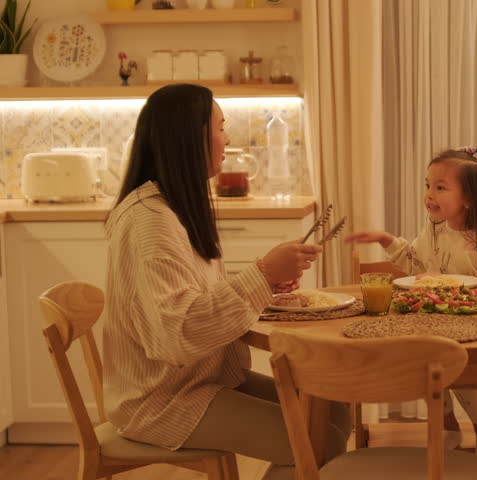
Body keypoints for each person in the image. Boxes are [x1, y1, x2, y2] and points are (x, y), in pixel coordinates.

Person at [102, 84, 350, 480]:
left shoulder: (173, 206)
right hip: (164, 399)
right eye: (220, 126)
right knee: (315, 439)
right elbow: (178, 334)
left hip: (203, 379)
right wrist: (263, 273)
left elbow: (193, 297)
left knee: (333, 407)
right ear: (191, 136)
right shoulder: (149, 221)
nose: (227, 138)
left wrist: (266, 282)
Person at [346, 146, 477, 459]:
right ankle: (446, 424)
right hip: (433, 321)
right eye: (427, 185)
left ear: (468, 199)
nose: (429, 194)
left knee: (456, 365)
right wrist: (385, 239)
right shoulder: (434, 233)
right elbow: (415, 264)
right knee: (424, 362)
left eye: (440, 187)